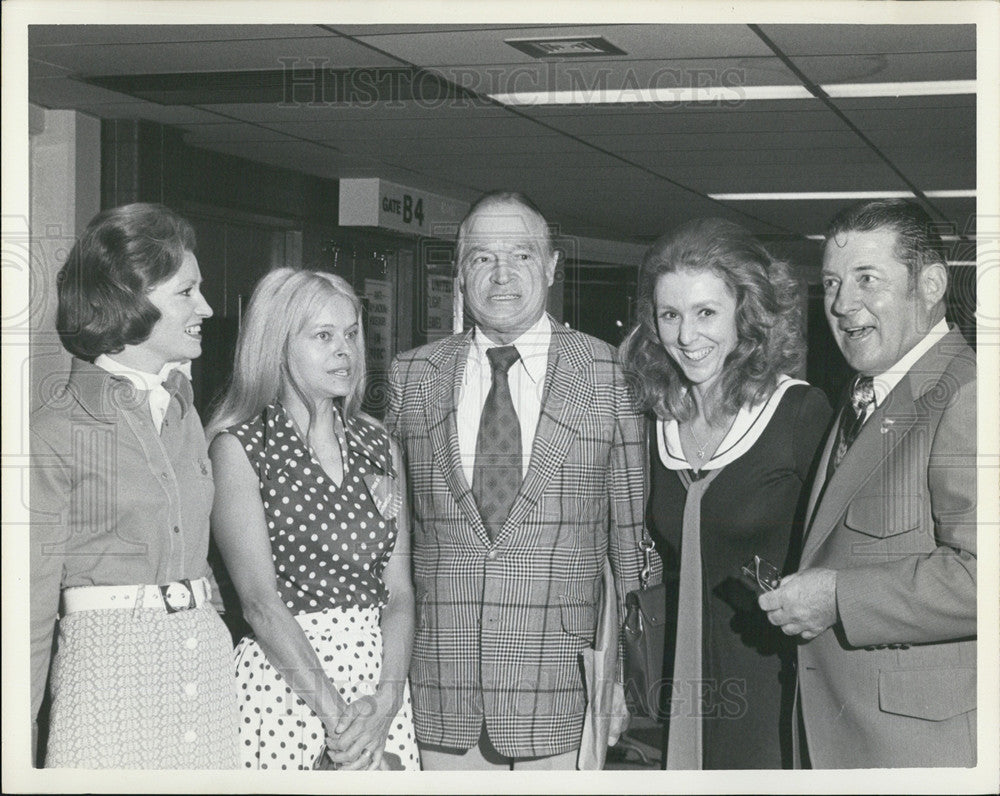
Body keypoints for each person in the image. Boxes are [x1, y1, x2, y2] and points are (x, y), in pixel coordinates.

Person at [385, 190, 657, 770]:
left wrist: (626, 684)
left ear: (553, 266)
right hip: (439, 692)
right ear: (459, 273)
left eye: (523, 255)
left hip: (563, 691)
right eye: (482, 257)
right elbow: (389, 539)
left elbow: (630, 550)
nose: (502, 274)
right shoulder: (412, 376)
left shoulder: (613, 377)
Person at [759, 199, 977, 768]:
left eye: (866, 280)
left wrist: (836, 597)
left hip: (918, 752)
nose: (840, 304)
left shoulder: (969, 392)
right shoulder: (868, 390)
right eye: (831, 282)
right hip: (847, 736)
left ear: (930, 284)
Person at [30, 203, 239, 768]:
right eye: (187, 293)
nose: (208, 308)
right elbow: (26, 609)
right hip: (106, 671)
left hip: (204, 665)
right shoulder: (55, 428)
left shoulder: (184, 413)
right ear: (129, 297)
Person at [619, 217, 832, 769]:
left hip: (771, 684)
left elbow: (840, 555)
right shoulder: (652, 420)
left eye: (706, 312)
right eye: (670, 315)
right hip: (677, 687)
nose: (687, 337)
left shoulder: (798, 414)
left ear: (748, 311)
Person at [206, 268, 419, 771]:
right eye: (323, 336)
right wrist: (338, 719)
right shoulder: (240, 448)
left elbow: (400, 593)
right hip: (289, 687)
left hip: (377, 690)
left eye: (350, 334)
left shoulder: (378, 446)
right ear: (277, 345)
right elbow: (260, 604)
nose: (344, 350)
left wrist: (385, 702)